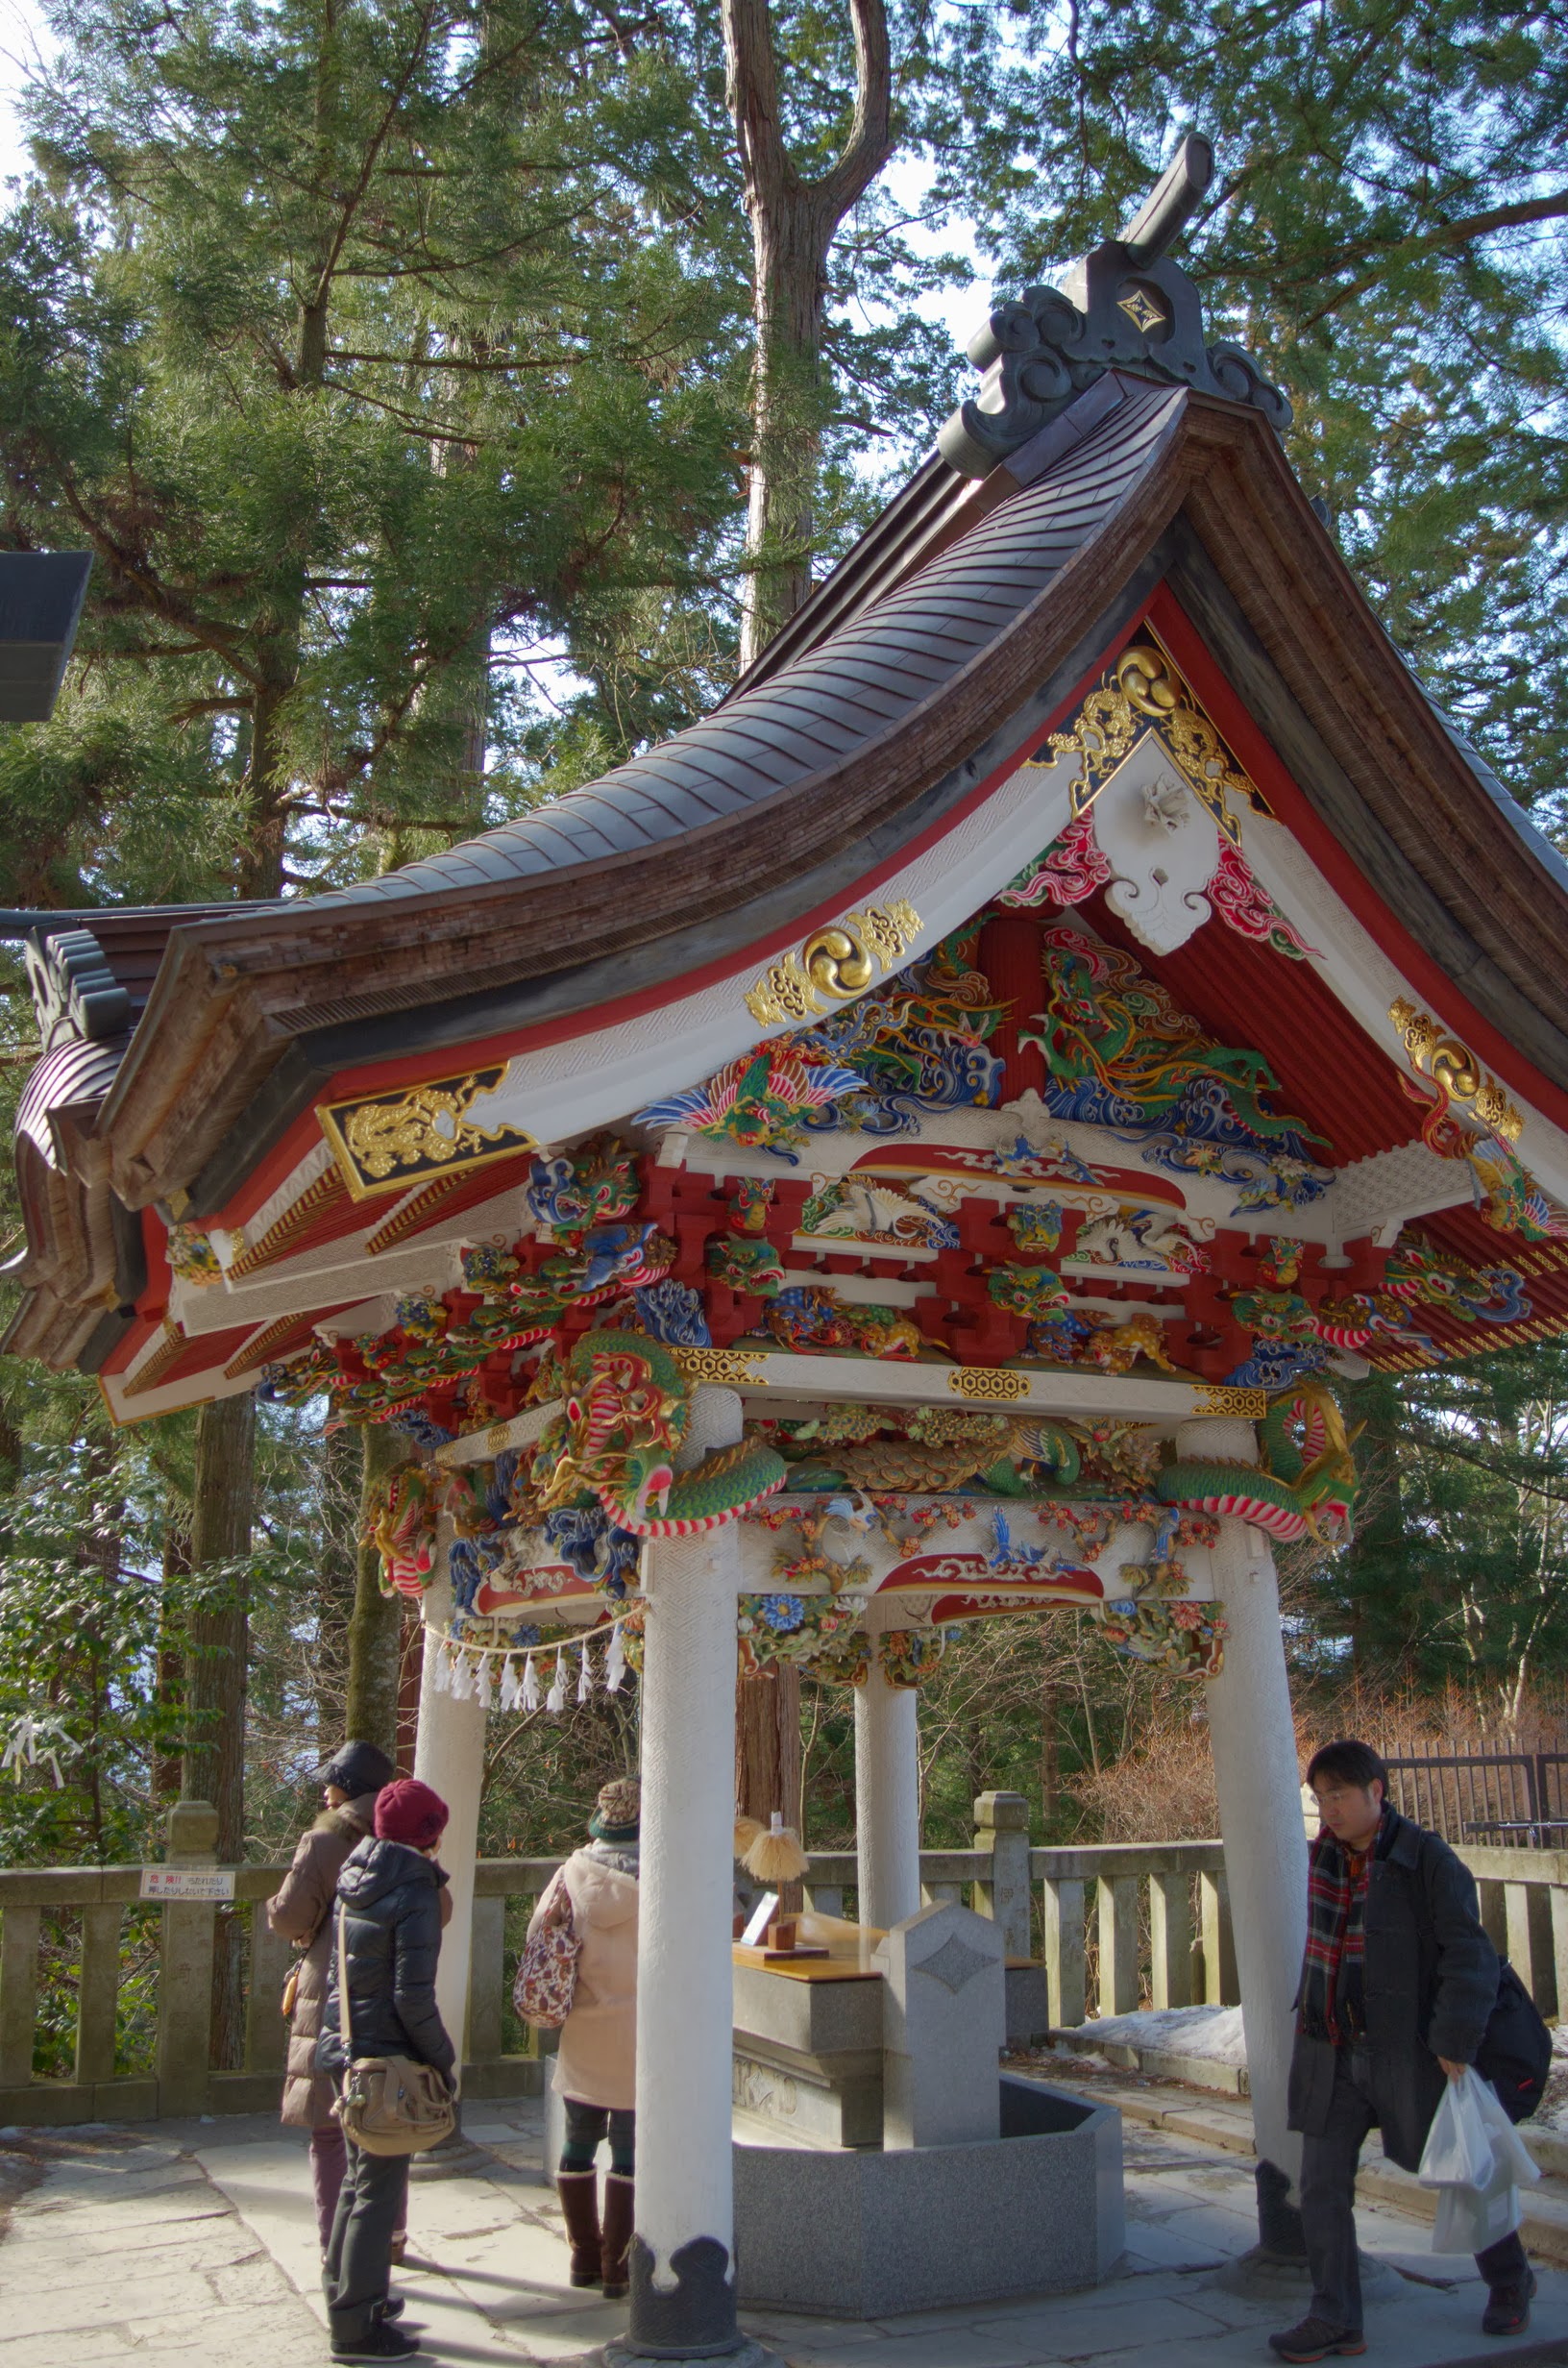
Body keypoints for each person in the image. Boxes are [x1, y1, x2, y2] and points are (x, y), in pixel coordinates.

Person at [1271, 1738, 1533, 2364]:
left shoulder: (1428, 1862)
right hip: (1330, 2047)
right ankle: (1334, 2316)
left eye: (1339, 1794)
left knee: (1462, 2170)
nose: (1329, 1807)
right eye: (1320, 1796)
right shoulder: (1319, 1861)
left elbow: (1470, 1956)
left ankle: (1509, 2278)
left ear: (1375, 1792)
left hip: (1407, 2051)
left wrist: (1455, 2040)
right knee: (1322, 2185)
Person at [319, 1775, 457, 2363]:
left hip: (344, 2045)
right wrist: (443, 2060)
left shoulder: (356, 1873)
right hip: (386, 2059)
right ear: (428, 1834)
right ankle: (355, 2328)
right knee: (377, 2187)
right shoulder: (415, 1889)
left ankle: (351, 2294)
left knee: (357, 2181)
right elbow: (413, 1998)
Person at [267, 1739, 397, 2251]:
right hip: (391, 1983)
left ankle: (334, 2243)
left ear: (349, 1790)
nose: (325, 1792)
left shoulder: (322, 1844)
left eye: (332, 1782)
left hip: (330, 1988)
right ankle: (390, 2237)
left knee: (328, 2125)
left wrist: (288, 1917)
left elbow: (289, 1916)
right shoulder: (406, 1838)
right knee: (387, 2124)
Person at [527, 1775, 640, 2300]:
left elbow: (540, 1939)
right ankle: (619, 2264)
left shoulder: (570, 1874)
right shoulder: (666, 1876)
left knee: (577, 2141)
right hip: (644, 2030)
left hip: (585, 2025)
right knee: (629, 2151)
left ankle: (582, 2255)